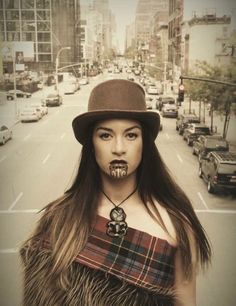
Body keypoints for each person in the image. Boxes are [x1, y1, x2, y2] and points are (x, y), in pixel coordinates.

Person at [20, 79, 211, 306]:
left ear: (144, 143)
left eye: (131, 135)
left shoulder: (175, 224)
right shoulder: (57, 218)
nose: (118, 148)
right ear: (91, 144)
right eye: (105, 135)